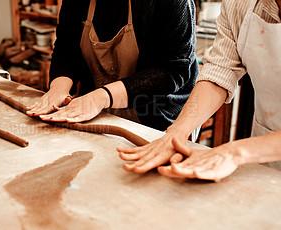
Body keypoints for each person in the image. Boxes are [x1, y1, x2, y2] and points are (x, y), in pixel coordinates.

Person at [118, 0, 281, 182]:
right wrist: (177, 132)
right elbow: (219, 72)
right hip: (264, 159)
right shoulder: (239, 3)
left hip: (253, 151)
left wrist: (234, 152)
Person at [26, 0, 199, 131]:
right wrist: (59, 88)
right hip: (95, 107)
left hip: (159, 115)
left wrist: (101, 97)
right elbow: (66, 48)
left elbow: (173, 70)